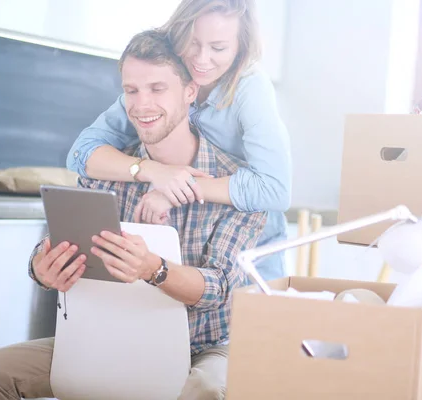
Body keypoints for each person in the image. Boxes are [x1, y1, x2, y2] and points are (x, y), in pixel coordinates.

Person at [0, 29, 267, 400]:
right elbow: (57, 244)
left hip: (200, 348)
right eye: (131, 90)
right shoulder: (109, 170)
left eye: (157, 89)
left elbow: (218, 289)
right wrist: (42, 267)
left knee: (204, 390)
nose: (141, 105)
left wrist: (153, 269)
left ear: (190, 93)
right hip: (109, 337)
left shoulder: (238, 185)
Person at [66, 0, 291, 281]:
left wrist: (175, 189)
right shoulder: (156, 82)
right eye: (193, 43)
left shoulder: (251, 89)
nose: (201, 58)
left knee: (250, 319)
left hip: (253, 242)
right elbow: (80, 154)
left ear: (240, 49)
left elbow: (275, 189)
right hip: (189, 237)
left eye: (218, 48)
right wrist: (154, 171)